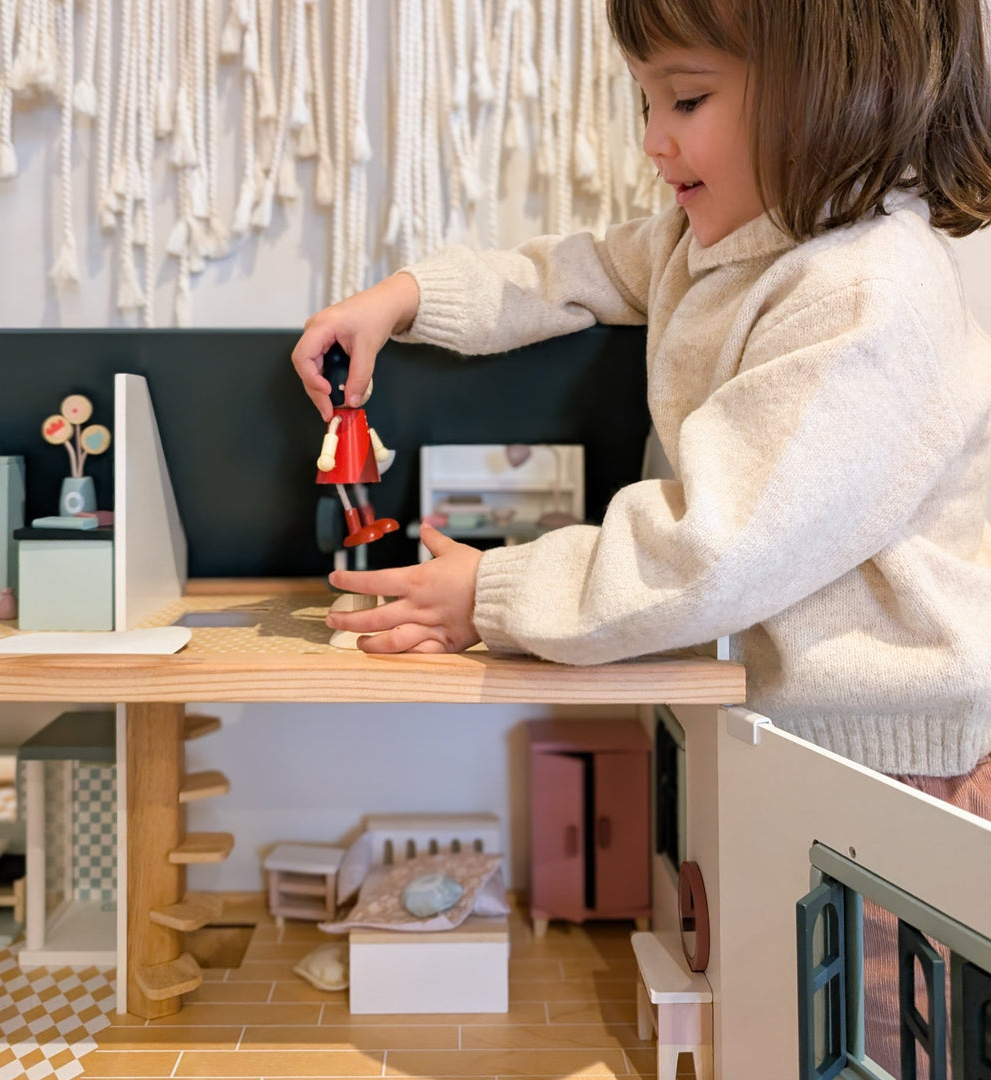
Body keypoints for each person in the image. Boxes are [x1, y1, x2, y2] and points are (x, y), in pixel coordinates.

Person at [293, 0, 991, 1069]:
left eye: (688, 99)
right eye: (646, 100)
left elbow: (713, 541)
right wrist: (405, 297)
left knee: (862, 1037)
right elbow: (573, 270)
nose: (653, 138)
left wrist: (493, 596)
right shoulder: (721, 238)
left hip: (892, 764)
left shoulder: (867, 290)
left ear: (829, 88)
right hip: (796, 737)